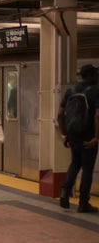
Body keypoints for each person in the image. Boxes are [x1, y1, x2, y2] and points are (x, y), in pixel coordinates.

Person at [57, 64, 99, 213]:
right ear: (92, 76)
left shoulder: (71, 91)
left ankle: (64, 193)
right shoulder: (95, 92)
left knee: (75, 164)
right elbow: (97, 116)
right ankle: (83, 203)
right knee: (87, 169)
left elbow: (60, 115)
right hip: (88, 136)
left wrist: (65, 134)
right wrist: (96, 137)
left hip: (73, 135)